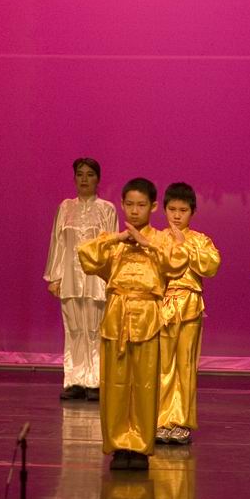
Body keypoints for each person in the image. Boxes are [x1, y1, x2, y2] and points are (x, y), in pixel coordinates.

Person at [78, 177, 188, 471]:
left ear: (153, 206)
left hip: (147, 315)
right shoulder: (114, 241)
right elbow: (86, 256)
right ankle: (118, 445)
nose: (135, 210)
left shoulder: (162, 239)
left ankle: (139, 446)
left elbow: (178, 263)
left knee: (144, 383)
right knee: (114, 383)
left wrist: (147, 244)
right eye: (129, 204)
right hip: (117, 314)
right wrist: (117, 239)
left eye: (141, 205)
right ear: (122, 205)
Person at [44, 158, 118, 401]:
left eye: (90, 174)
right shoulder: (65, 207)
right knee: (74, 329)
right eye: (80, 174)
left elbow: (112, 246)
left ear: (98, 179)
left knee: (96, 330)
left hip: (98, 279)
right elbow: (58, 243)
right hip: (70, 278)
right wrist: (54, 277)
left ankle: (96, 381)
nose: (84, 179)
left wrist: (112, 277)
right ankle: (75, 381)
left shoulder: (107, 209)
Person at [156, 183, 220, 445]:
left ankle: (181, 421)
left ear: (192, 212)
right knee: (162, 365)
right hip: (163, 305)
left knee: (185, 365)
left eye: (183, 210)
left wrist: (186, 246)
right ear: (164, 210)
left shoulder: (200, 240)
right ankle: (161, 420)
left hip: (190, 304)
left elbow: (211, 265)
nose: (177, 215)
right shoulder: (158, 238)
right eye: (172, 209)